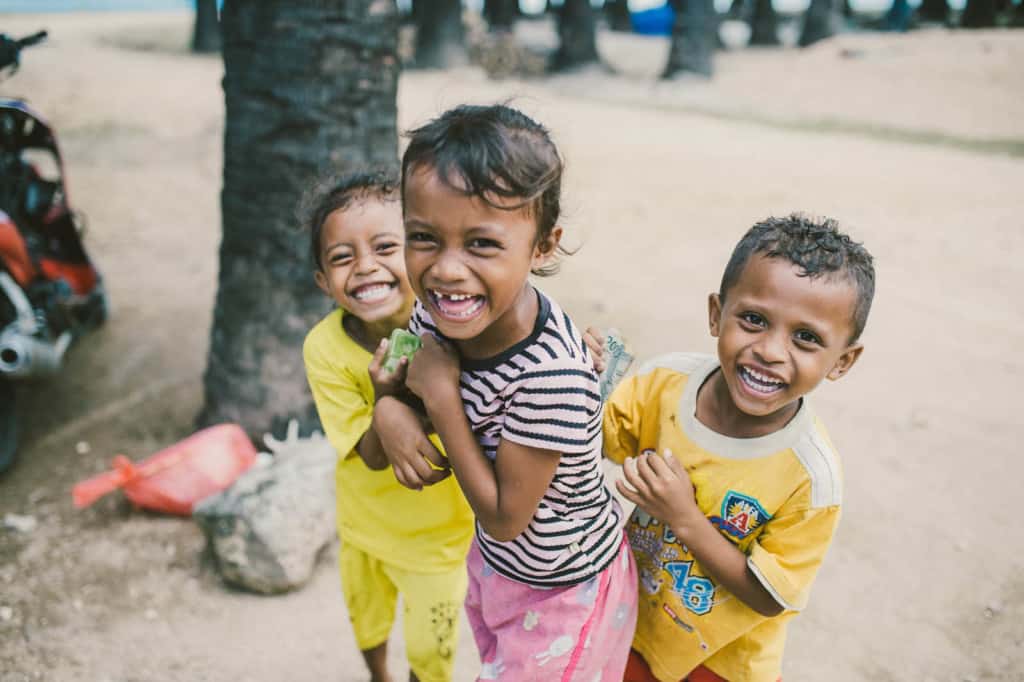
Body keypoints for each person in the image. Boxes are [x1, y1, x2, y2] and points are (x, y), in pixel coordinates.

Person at [376, 103, 638, 681]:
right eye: (424, 238)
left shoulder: (553, 377)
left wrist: (440, 399)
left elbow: (504, 517)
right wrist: (389, 405)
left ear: (543, 246)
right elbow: (399, 372)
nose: (446, 270)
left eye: (481, 244)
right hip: (501, 571)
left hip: (563, 591)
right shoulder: (436, 314)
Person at [604, 214, 875, 682]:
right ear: (716, 314)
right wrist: (582, 379)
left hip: (722, 663)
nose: (770, 350)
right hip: (630, 621)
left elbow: (770, 597)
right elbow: (595, 436)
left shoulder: (810, 477)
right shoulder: (663, 387)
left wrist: (684, 518)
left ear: (842, 361)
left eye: (806, 338)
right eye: (753, 319)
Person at [301, 171, 475, 682]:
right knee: (367, 621)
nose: (365, 267)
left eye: (385, 247)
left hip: (439, 541)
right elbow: (375, 455)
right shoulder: (325, 349)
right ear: (321, 280)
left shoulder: (455, 326)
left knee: (432, 651)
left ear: (420, 254)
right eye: (341, 257)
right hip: (365, 527)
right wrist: (385, 399)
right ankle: (379, 675)